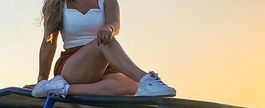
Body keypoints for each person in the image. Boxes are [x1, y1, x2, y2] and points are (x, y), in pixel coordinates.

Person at [28, 0, 175, 98]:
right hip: (73, 65)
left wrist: (109, 27)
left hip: (104, 64)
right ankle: (147, 79)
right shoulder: (58, 4)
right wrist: (41, 80)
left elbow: (115, 23)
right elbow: (48, 43)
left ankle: (62, 89)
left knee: (130, 87)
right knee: (104, 42)